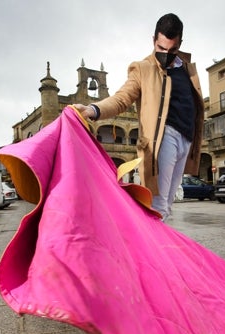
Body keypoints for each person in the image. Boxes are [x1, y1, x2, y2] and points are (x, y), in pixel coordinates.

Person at [74, 13, 205, 221]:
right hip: (163, 139)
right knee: (158, 205)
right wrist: (93, 110)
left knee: (168, 204)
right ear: (154, 40)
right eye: (161, 48)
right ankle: (151, 251)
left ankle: (155, 247)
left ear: (180, 43)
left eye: (172, 50)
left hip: (186, 140)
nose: (166, 54)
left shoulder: (187, 68)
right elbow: (122, 98)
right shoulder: (142, 68)